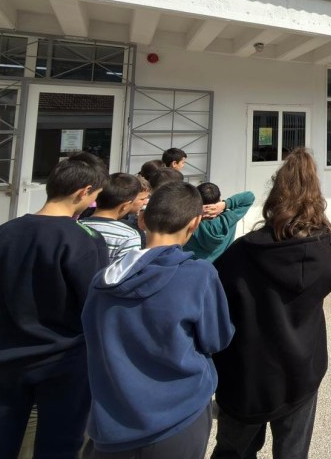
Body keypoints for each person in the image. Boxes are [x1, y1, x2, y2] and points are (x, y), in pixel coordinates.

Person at [0, 152, 109, 458]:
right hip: (62, 365)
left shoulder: (2, 233)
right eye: (94, 195)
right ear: (83, 192)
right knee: (59, 445)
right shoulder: (84, 239)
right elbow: (96, 308)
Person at [81, 182, 235, 457]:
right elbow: (217, 339)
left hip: (113, 420)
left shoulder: (102, 281)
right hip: (181, 416)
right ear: (195, 223)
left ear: (142, 219)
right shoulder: (199, 274)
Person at [211, 149, 331, 459]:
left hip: (247, 372)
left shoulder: (242, 252)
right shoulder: (324, 247)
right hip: (301, 369)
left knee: (232, 451)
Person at [80, 172, 147, 261]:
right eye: (142, 199)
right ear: (125, 206)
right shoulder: (129, 236)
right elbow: (126, 267)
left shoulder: (76, 226)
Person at [185, 183, 256, 262]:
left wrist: (196, 209)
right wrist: (225, 204)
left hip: (190, 267)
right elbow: (249, 197)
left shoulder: (188, 222)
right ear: (219, 201)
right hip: (221, 267)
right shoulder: (228, 218)